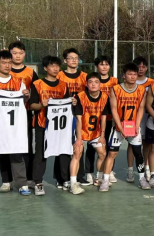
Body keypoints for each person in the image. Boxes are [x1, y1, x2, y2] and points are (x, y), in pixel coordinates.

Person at [101, 63, 148, 192]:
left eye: (134, 74)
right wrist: (120, 127)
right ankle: (105, 180)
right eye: (130, 74)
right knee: (112, 153)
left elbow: (141, 109)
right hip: (118, 128)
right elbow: (114, 109)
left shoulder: (141, 90)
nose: (133, 76)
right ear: (123, 75)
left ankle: (142, 179)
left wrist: (137, 126)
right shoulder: (116, 89)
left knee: (138, 153)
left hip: (134, 127)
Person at [29, 56, 70, 196]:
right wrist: (42, 105)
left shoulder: (64, 85)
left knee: (63, 151)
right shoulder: (37, 84)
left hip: (60, 126)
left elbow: (68, 105)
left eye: (57, 66)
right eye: (52, 66)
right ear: (45, 68)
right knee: (41, 153)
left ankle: (64, 179)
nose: (55, 68)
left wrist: (73, 103)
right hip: (42, 124)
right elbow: (32, 105)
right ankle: (38, 182)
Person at [69, 73, 110, 195]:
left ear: (100, 84)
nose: (93, 84)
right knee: (77, 152)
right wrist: (79, 138)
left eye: (96, 82)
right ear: (86, 84)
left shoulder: (105, 97)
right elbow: (79, 119)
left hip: (96, 132)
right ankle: (73, 183)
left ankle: (99, 177)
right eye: (90, 82)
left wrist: (102, 136)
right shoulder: (80, 97)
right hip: (81, 131)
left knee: (102, 153)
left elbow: (103, 118)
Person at [0, 50, 30, 195]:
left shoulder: (18, 82)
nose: (7, 65)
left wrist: (26, 96)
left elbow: (24, 102)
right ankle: (6, 181)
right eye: (4, 62)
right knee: (3, 151)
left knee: (16, 152)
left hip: (15, 125)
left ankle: (22, 183)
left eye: (9, 62)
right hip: (0, 124)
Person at [9, 41, 38, 188]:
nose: (18, 56)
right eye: (14, 53)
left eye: (20, 53)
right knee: (6, 145)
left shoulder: (30, 73)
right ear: (10, 54)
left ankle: (29, 178)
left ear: (24, 54)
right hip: (5, 115)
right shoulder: (4, 71)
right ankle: (7, 180)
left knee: (27, 145)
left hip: (24, 113)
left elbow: (38, 91)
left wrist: (29, 96)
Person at [85, 55, 118, 185]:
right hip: (93, 118)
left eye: (106, 64)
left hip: (109, 118)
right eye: (101, 64)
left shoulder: (114, 81)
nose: (104, 67)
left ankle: (109, 171)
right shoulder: (92, 81)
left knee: (109, 146)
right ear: (96, 66)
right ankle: (89, 172)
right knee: (91, 147)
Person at [57, 48, 88, 184]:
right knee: (62, 145)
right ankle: (62, 178)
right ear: (65, 60)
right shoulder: (59, 75)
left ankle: (79, 176)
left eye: (76, 58)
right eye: (71, 58)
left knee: (79, 143)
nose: (74, 60)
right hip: (62, 113)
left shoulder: (84, 76)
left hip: (79, 113)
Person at [127, 56, 154, 181]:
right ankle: (130, 170)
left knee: (146, 143)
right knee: (131, 144)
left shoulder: (152, 83)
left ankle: (146, 168)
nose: (141, 69)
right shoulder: (129, 82)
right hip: (132, 118)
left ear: (147, 68)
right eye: (139, 66)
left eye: (143, 66)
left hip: (147, 117)